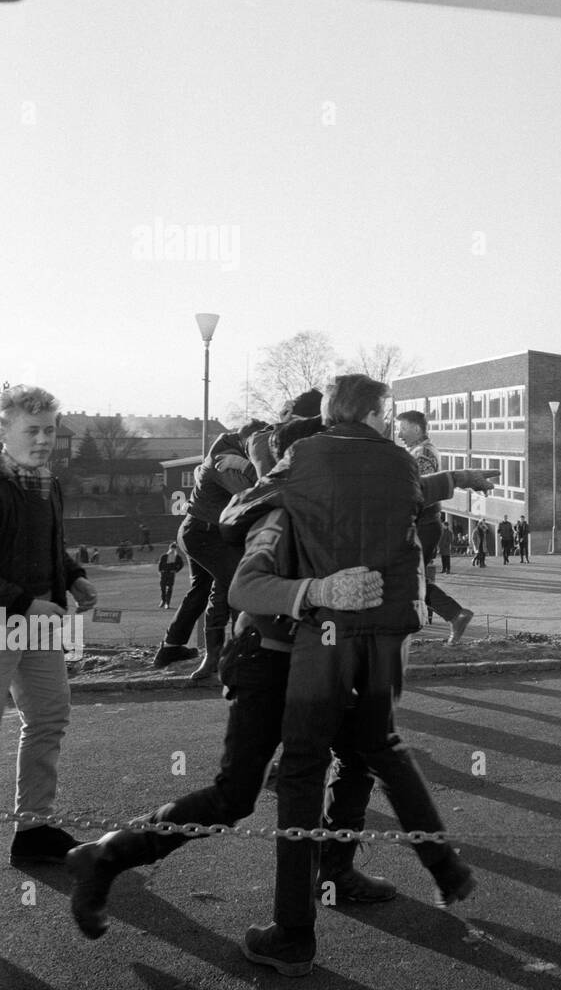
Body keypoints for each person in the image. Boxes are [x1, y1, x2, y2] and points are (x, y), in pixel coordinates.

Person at [213, 374, 498, 975]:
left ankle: (293, 934)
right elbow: (418, 493)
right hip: (391, 629)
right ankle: (443, 868)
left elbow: (240, 509)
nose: (392, 422)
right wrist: (460, 479)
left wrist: (271, 501)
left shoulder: (305, 456)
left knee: (301, 770)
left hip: (330, 628)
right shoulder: (398, 462)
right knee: (380, 744)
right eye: (386, 412)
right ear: (370, 412)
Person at [68, 556, 397, 941]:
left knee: (357, 754)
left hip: (329, 660)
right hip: (267, 656)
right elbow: (242, 582)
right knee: (235, 797)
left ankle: (336, 871)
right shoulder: (281, 505)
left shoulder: (369, 507)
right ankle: (107, 856)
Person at [1, 384, 97, 866]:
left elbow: (45, 548)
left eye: (49, 430)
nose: (42, 440)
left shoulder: (48, 483)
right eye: (31, 430)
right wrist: (22, 602)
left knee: (48, 720)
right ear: (3, 430)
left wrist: (74, 577)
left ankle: (33, 829)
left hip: (39, 622)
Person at [154, 421, 265, 681]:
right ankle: (234, 651)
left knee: (205, 590)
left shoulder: (228, 451)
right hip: (204, 533)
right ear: (245, 443)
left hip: (206, 531)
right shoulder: (223, 457)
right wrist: (249, 466)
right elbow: (251, 492)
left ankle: (175, 648)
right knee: (235, 584)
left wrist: (244, 465)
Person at [397, 411, 474, 648]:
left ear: (417, 429)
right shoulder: (422, 451)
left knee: (407, 577)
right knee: (408, 577)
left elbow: (418, 491)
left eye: (404, 429)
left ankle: (455, 614)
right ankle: (454, 615)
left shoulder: (423, 454)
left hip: (424, 524)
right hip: (425, 524)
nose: (399, 435)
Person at [157, 542, 184, 609]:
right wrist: (161, 571)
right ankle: (163, 600)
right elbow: (160, 564)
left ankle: (167, 603)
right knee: (162, 588)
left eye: (174, 549)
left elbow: (181, 564)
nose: (172, 550)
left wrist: (176, 570)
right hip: (164, 574)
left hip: (171, 574)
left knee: (169, 588)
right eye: (172, 548)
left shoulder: (177, 557)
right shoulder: (164, 556)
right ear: (169, 548)